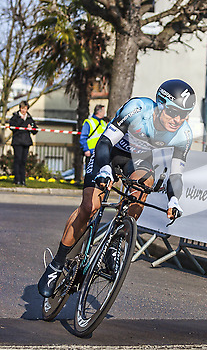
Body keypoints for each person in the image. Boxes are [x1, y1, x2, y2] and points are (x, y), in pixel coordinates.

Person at [38, 79, 196, 298]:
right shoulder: (138, 109)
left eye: (184, 113)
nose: (177, 119)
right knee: (90, 206)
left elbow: (176, 173)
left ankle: (116, 240)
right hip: (109, 153)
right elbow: (104, 143)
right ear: (160, 104)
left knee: (144, 186)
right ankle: (56, 265)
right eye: (173, 112)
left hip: (138, 161)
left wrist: (174, 201)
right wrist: (104, 169)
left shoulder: (184, 134)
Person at [9, 100, 38, 185]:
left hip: (26, 142)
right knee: (17, 160)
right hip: (17, 142)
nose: (24, 111)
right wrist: (22, 121)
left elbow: (35, 130)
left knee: (23, 161)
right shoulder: (15, 117)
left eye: (25, 109)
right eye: (22, 109)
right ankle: (17, 179)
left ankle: (22, 180)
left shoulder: (29, 118)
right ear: (20, 109)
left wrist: (31, 128)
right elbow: (12, 127)